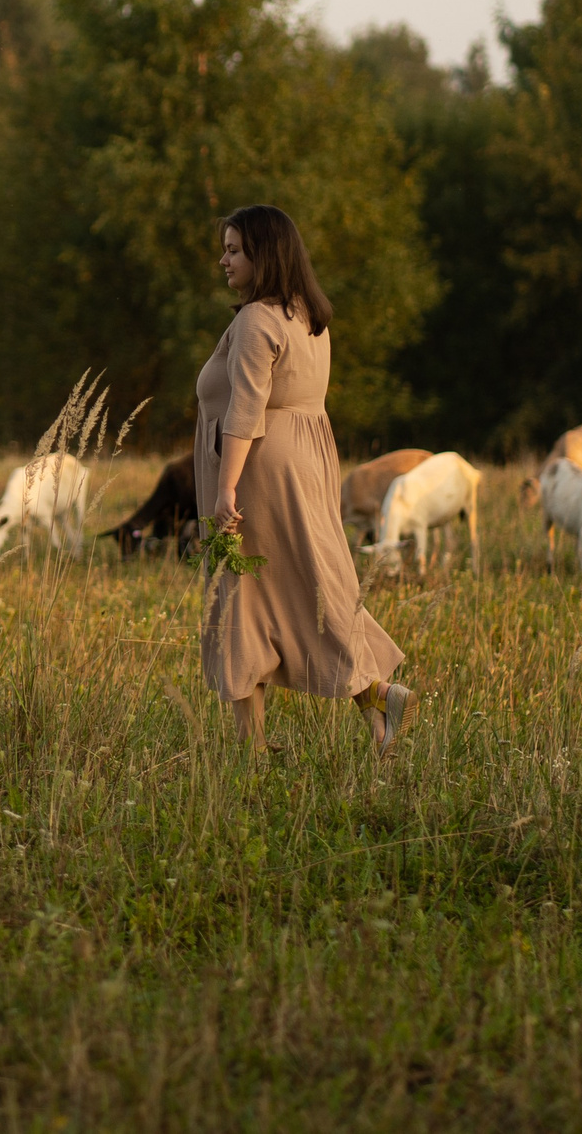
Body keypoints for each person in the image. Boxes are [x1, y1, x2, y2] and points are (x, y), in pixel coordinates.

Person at [196, 204, 414, 753]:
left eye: (234, 250)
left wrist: (225, 488)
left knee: (244, 596)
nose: (223, 259)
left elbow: (246, 411)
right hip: (304, 465)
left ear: (263, 255)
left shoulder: (255, 321)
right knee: (309, 588)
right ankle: (375, 699)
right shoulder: (306, 317)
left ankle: (252, 748)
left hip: (257, 472)